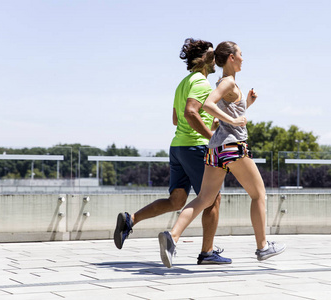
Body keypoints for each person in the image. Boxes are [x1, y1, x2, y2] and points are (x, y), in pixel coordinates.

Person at [158, 41, 286, 268]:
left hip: (215, 148)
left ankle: (173, 236)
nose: (243, 58)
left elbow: (226, 116)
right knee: (258, 195)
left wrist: (247, 104)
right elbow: (208, 106)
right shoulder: (227, 82)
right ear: (231, 58)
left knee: (204, 199)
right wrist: (234, 120)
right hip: (232, 147)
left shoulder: (222, 82)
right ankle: (263, 246)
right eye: (240, 54)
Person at [114, 38, 231, 265]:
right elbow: (189, 113)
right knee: (212, 199)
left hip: (178, 147)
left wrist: (210, 124)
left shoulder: (183, 83)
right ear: (202, 58)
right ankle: (207, 252)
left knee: (177, 200)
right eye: (211, 53)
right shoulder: (202, 83)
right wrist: (211, 137)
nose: (215, 56)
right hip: (195, 147)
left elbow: (176, 118)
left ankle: (131, 219)